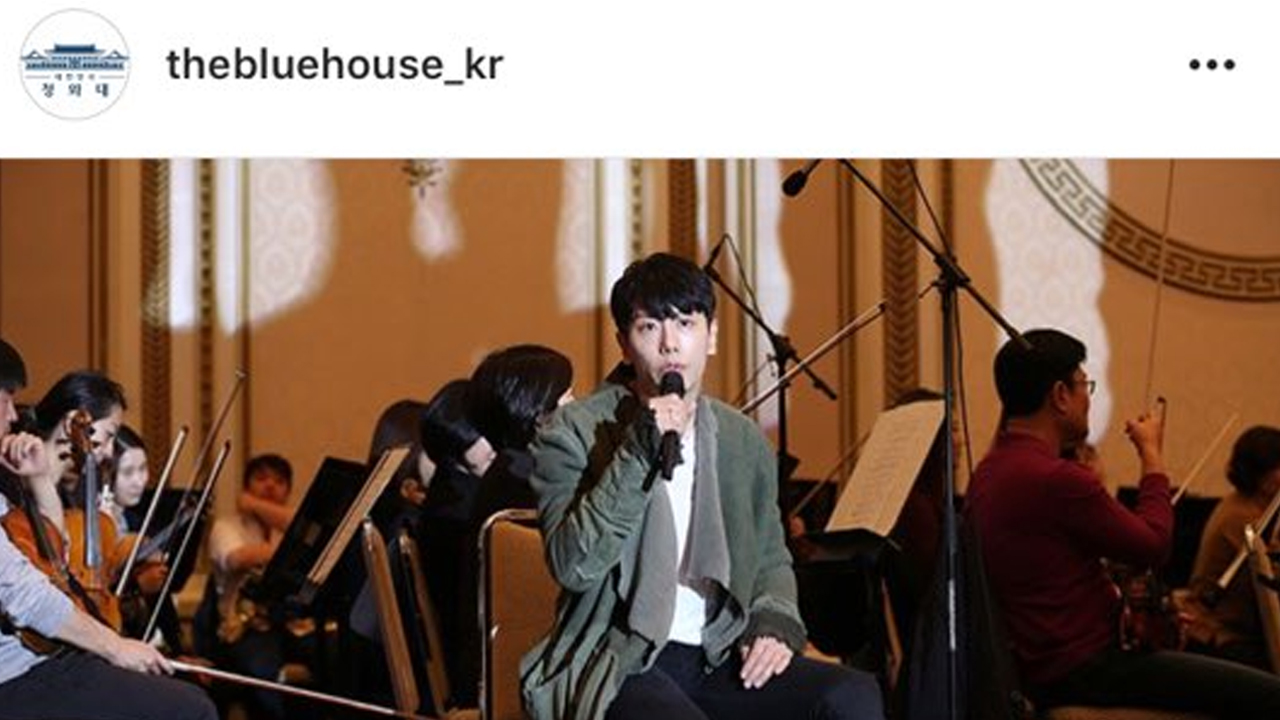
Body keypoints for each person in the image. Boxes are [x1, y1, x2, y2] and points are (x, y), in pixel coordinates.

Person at [520, 253, 885, 720]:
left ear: (711, 336)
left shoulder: (742, 439)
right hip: (620, 659)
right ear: (624, 345)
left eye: (685, 323)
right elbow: (574, 565)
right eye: (649, 327)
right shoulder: (573, 431)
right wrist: (637, 452)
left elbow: (771, 558)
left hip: (717, 650)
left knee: (851, 695)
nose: (670, 344)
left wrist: (773, 622)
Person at [967, 327, 1280, 717]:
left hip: (1041, 668)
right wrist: (1151, 455)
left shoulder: (987, 474)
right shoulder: (1057, 478)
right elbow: (1154, 544)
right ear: (1060, 395)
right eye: (1084, 385)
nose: (1088, 398)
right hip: (1087, 667)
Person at [0, 337, 217, 720]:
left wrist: (38, 478)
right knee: (191, 709)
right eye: (5, 400)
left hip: (36, 658)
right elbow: (23, 593)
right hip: (14, 675)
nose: (13, 415)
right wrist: (115, 647)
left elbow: (53, 555)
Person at [205, 452, 303, 720]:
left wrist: (258, 506)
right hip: (243, 629)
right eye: (261, 478)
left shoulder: (292, 526)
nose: (270, 486)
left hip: (291, 624)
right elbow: (238, 559)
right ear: (246, 486)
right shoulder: (226, 526)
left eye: (279, 481)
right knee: (264, 671)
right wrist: (292, 547)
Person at [1186, 425, 1280, 670]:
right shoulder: (1242, 518)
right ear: (1264, 476)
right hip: (1219, 636)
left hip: (1234, 632)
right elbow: (1272, 576)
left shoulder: (1245, 506)